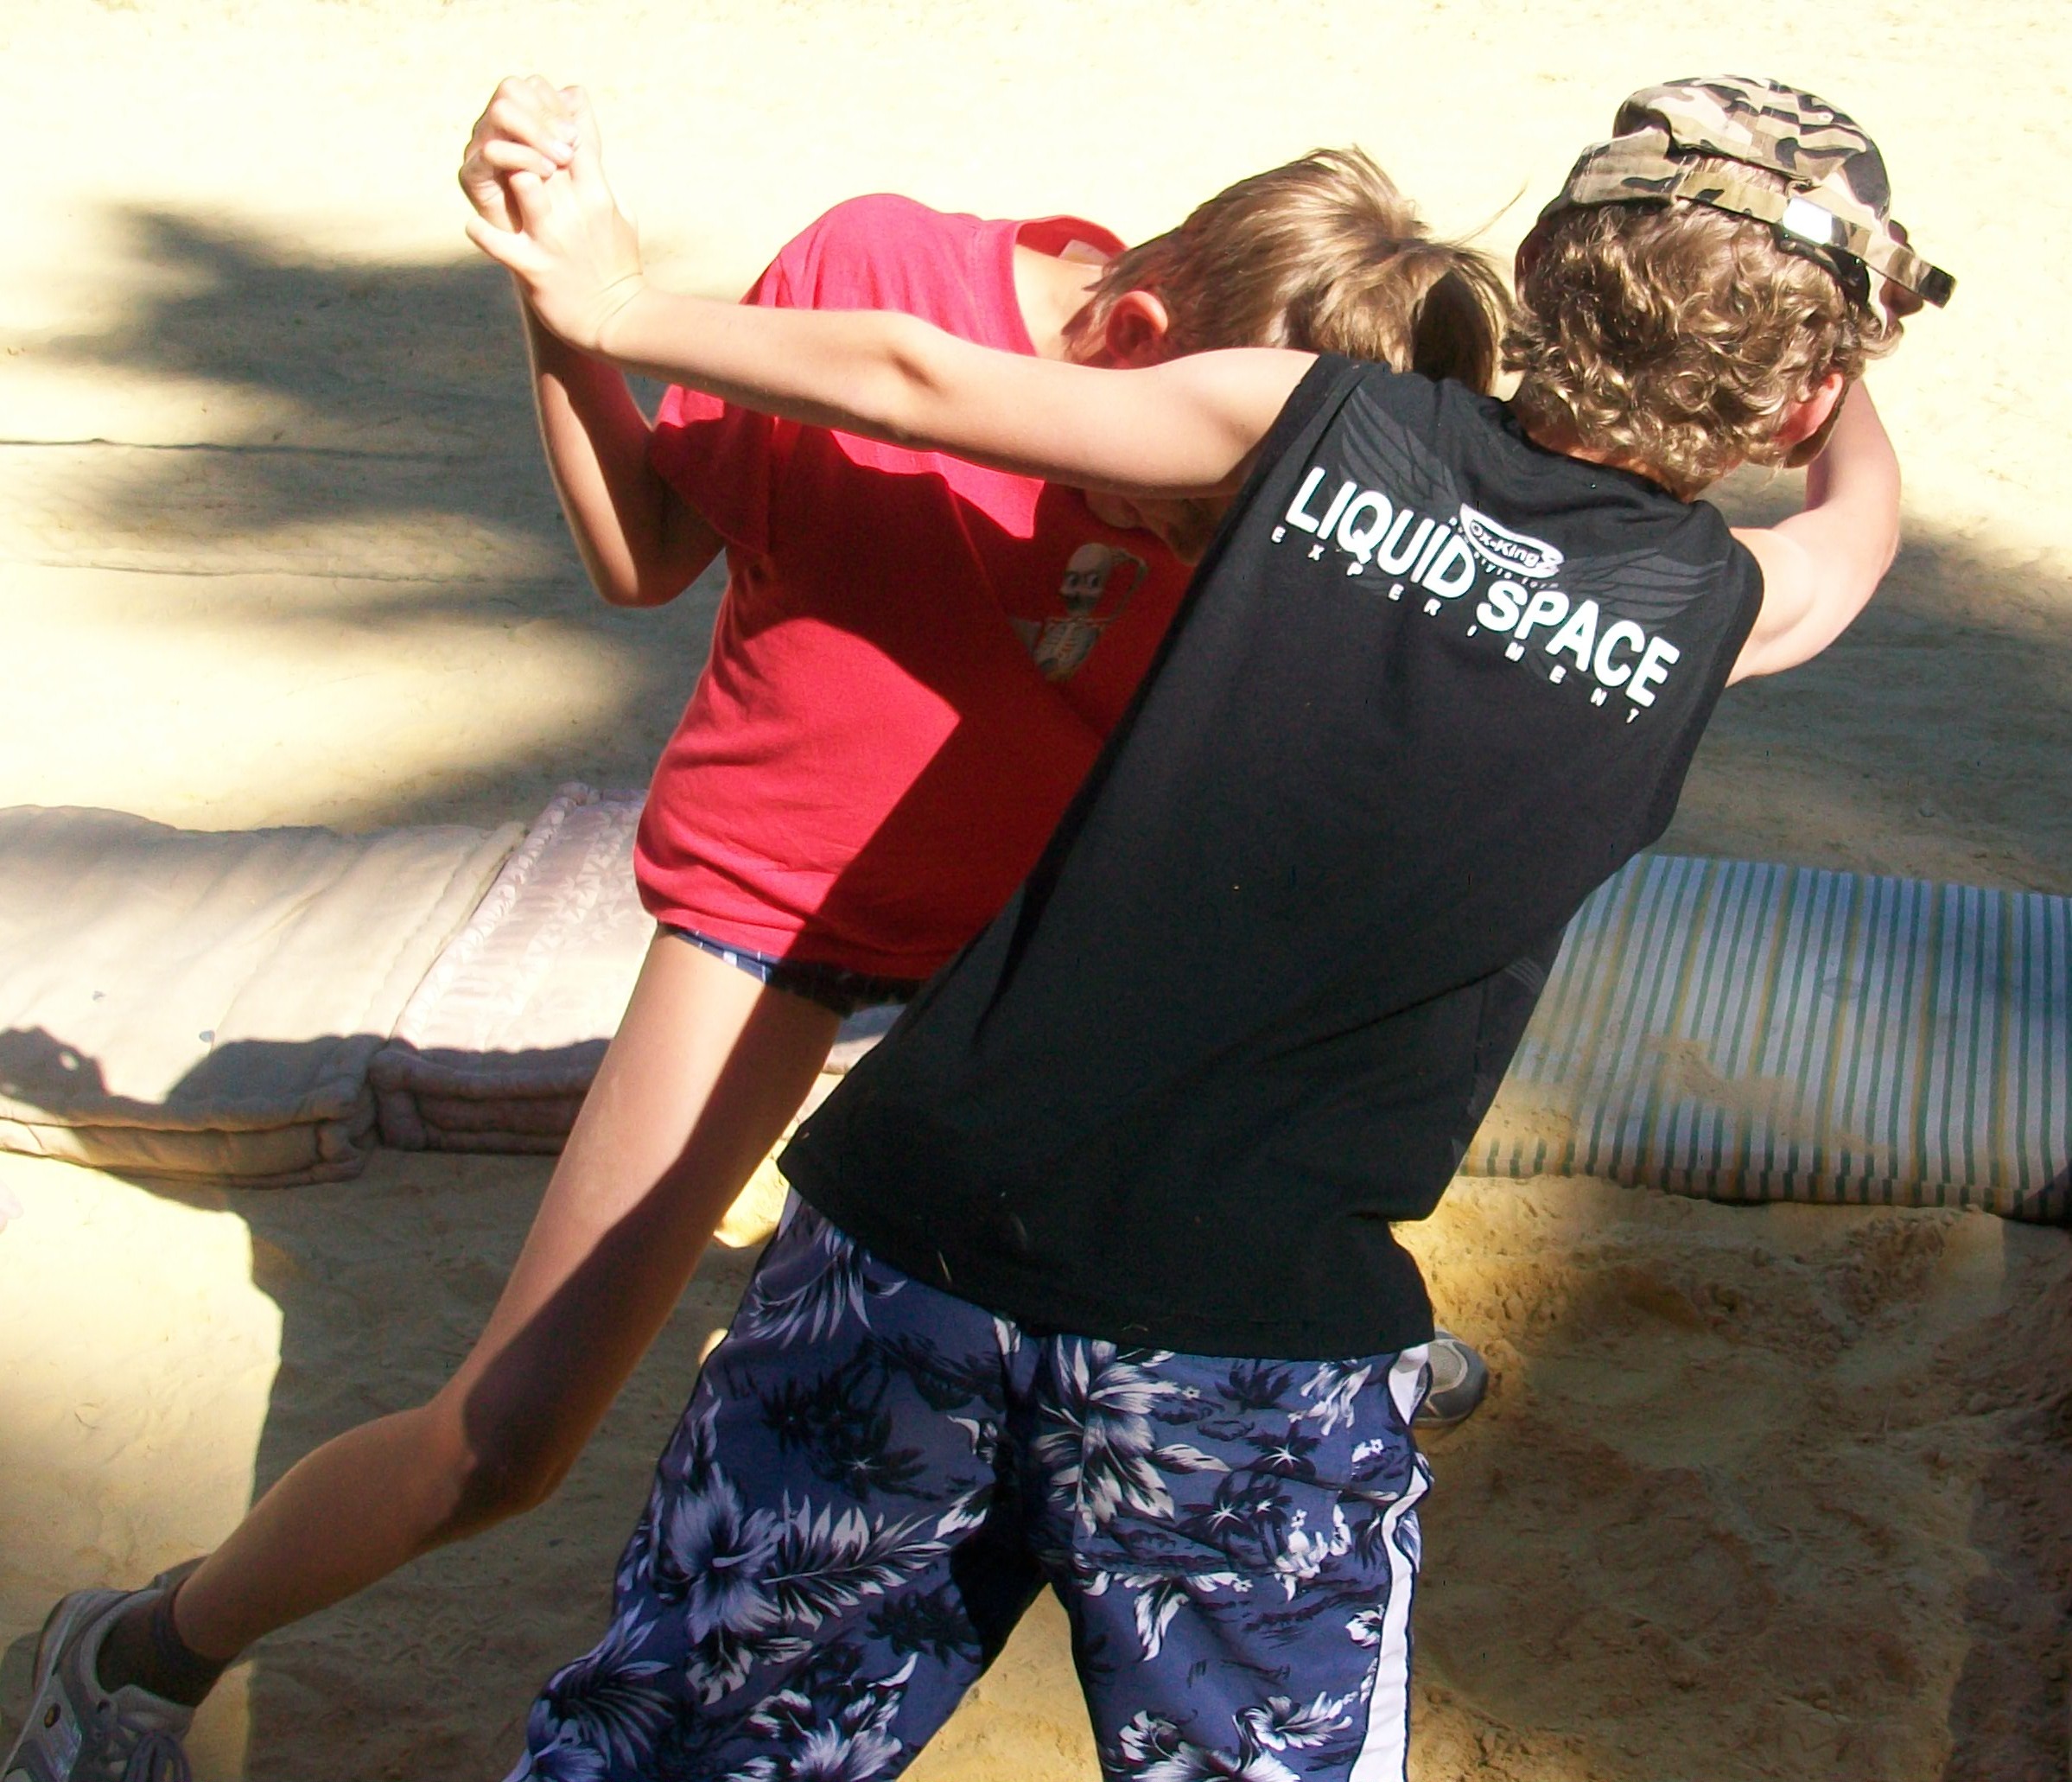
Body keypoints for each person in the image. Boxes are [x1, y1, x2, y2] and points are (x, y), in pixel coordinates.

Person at [1, 86, 1512, 1782]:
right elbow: (645, 551)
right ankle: (135, 1647)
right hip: (774, 920)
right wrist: (565, 300)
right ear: (1139, 343)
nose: (1179, 529)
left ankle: (1325, 1343)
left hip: (1033, 953)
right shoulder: (881, 280)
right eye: (1179, 504)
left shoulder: (1286, 428)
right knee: (505, 1436)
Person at [446, 76, 1943, 1781]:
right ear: (1795, 396)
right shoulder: (1719, 603)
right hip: (1241, 1343)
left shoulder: (1310, 417)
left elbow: (918, 377)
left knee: (681, 1740)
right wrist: (1849, 386)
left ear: (1539, 273)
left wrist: (614, 306)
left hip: (911, 1234)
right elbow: (1854, 536)